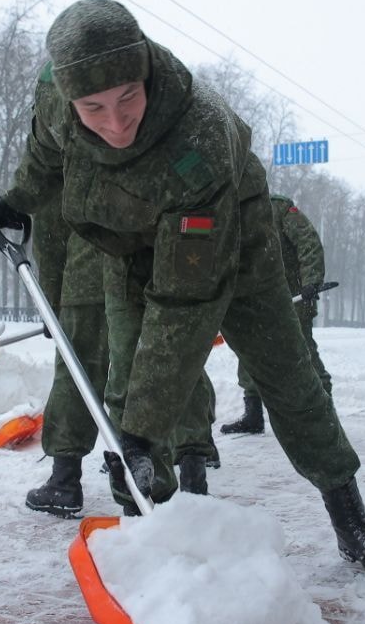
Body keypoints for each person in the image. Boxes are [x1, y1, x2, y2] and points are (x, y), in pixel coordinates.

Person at [0, 0, 365, 585]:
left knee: (287, 379)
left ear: (146, 74)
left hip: (235, 247)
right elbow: (46, 153)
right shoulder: (59, 101)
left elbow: (183, 305)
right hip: (130, 246)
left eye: (127, 98)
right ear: (69, 96)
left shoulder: (197, 143)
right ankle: (148, 526)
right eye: (94, 108)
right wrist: (18, 199)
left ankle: (352, 520)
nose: (114, 121)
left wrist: (142, 427)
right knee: (127, 387)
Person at [22, 196, 220, 517]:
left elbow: (50, 228)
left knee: (81, 369)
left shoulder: (67, 148)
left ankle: (65, 479)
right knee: (169, 362)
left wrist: (51, 296)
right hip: (148, 263)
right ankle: (192, 466)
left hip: (88, 274)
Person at [222, 194, 332, 434]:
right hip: (252, 298)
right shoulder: (226, 208)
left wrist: (311, 281)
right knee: (249, 354)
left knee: (302, 352)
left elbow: (308, 243)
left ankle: (325, 412)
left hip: (293, 297)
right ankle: (253, 415)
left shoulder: (279, 209)